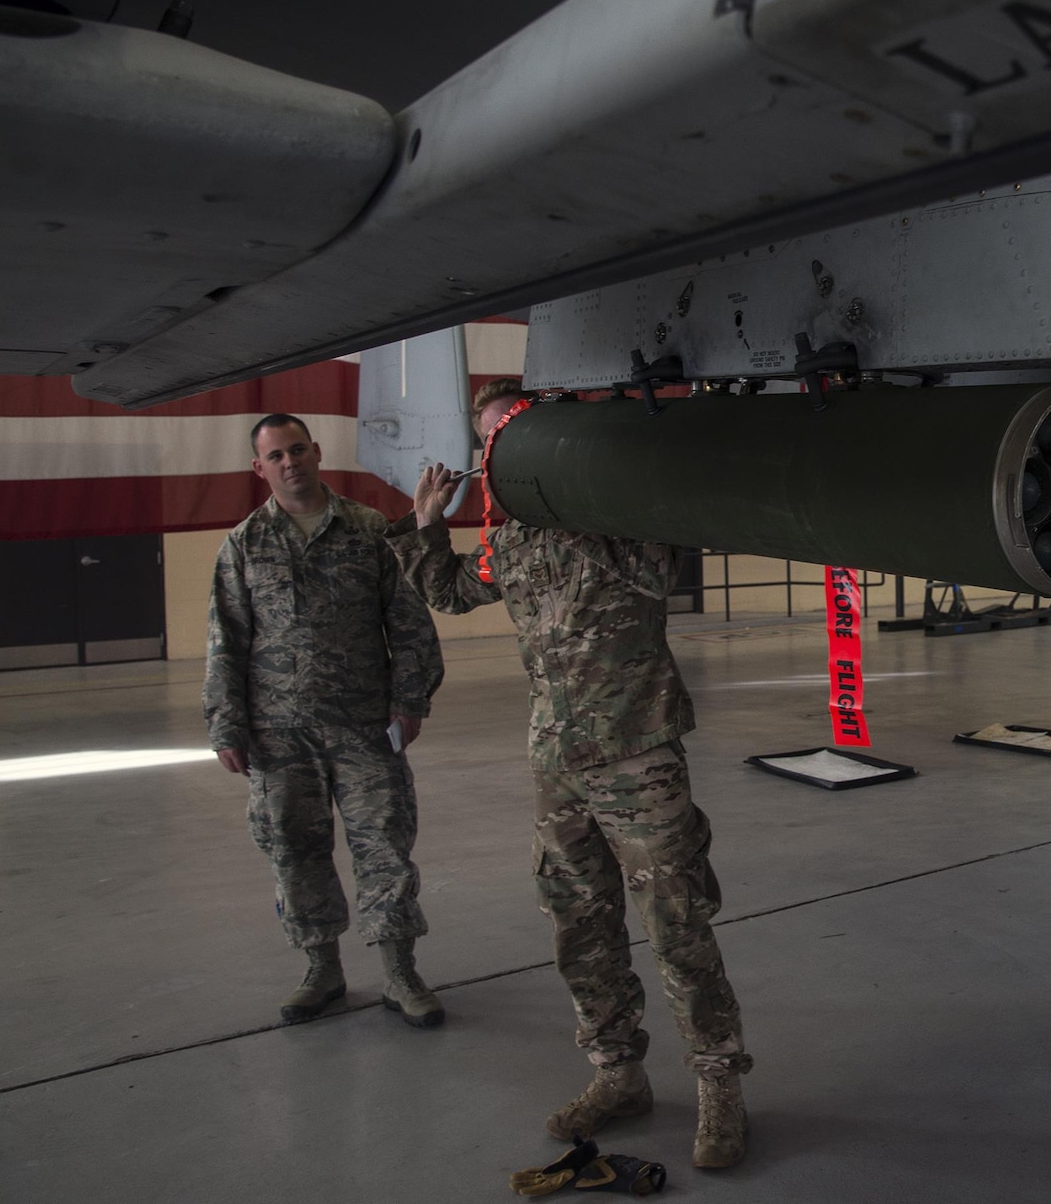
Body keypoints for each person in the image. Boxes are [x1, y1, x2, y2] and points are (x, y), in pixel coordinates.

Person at [385, 377, 752, 1170]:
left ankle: (720, 1083)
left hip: (637, 751)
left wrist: (604, 480)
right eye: (488, 442)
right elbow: (454, 591)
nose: (496, 455)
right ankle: (618, 1072)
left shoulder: (611, 516)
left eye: (508, 435)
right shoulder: (510, 537)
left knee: (678, 922)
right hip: (557, 760)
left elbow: (664, 564)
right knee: (579, 922)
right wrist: (425, 528)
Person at [205, 413, 447, 1028]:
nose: (290, 463)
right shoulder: (244, 544)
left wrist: (409, 699)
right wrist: (226, 725)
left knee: (385, 846)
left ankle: (399, 970)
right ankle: (322, 969)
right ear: (259, 468)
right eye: (276, 456)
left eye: (298, 450)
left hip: (365, 725)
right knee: (293, 847)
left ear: (316, 453)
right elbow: (225, 640)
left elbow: (409, 621)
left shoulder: (367, 530)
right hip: (278, 732)